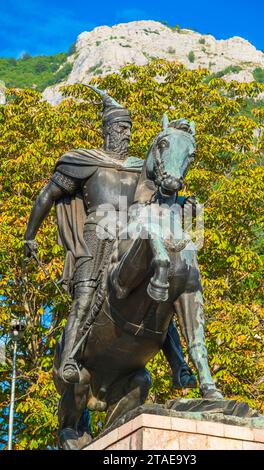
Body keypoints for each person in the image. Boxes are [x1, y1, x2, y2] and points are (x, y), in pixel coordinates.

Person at [24, 85, 197, 388]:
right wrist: (30, 235)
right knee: (85, 296)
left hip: (133, 233)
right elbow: (48, 195)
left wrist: (183, 204)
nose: (126, 134)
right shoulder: (84, 162)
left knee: (163, 291)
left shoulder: (139, 168)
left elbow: (158, 199)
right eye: (120, 128)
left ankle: (179, 364)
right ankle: (69, 359)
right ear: (107, 131)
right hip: (97, 236)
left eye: (129, 128)